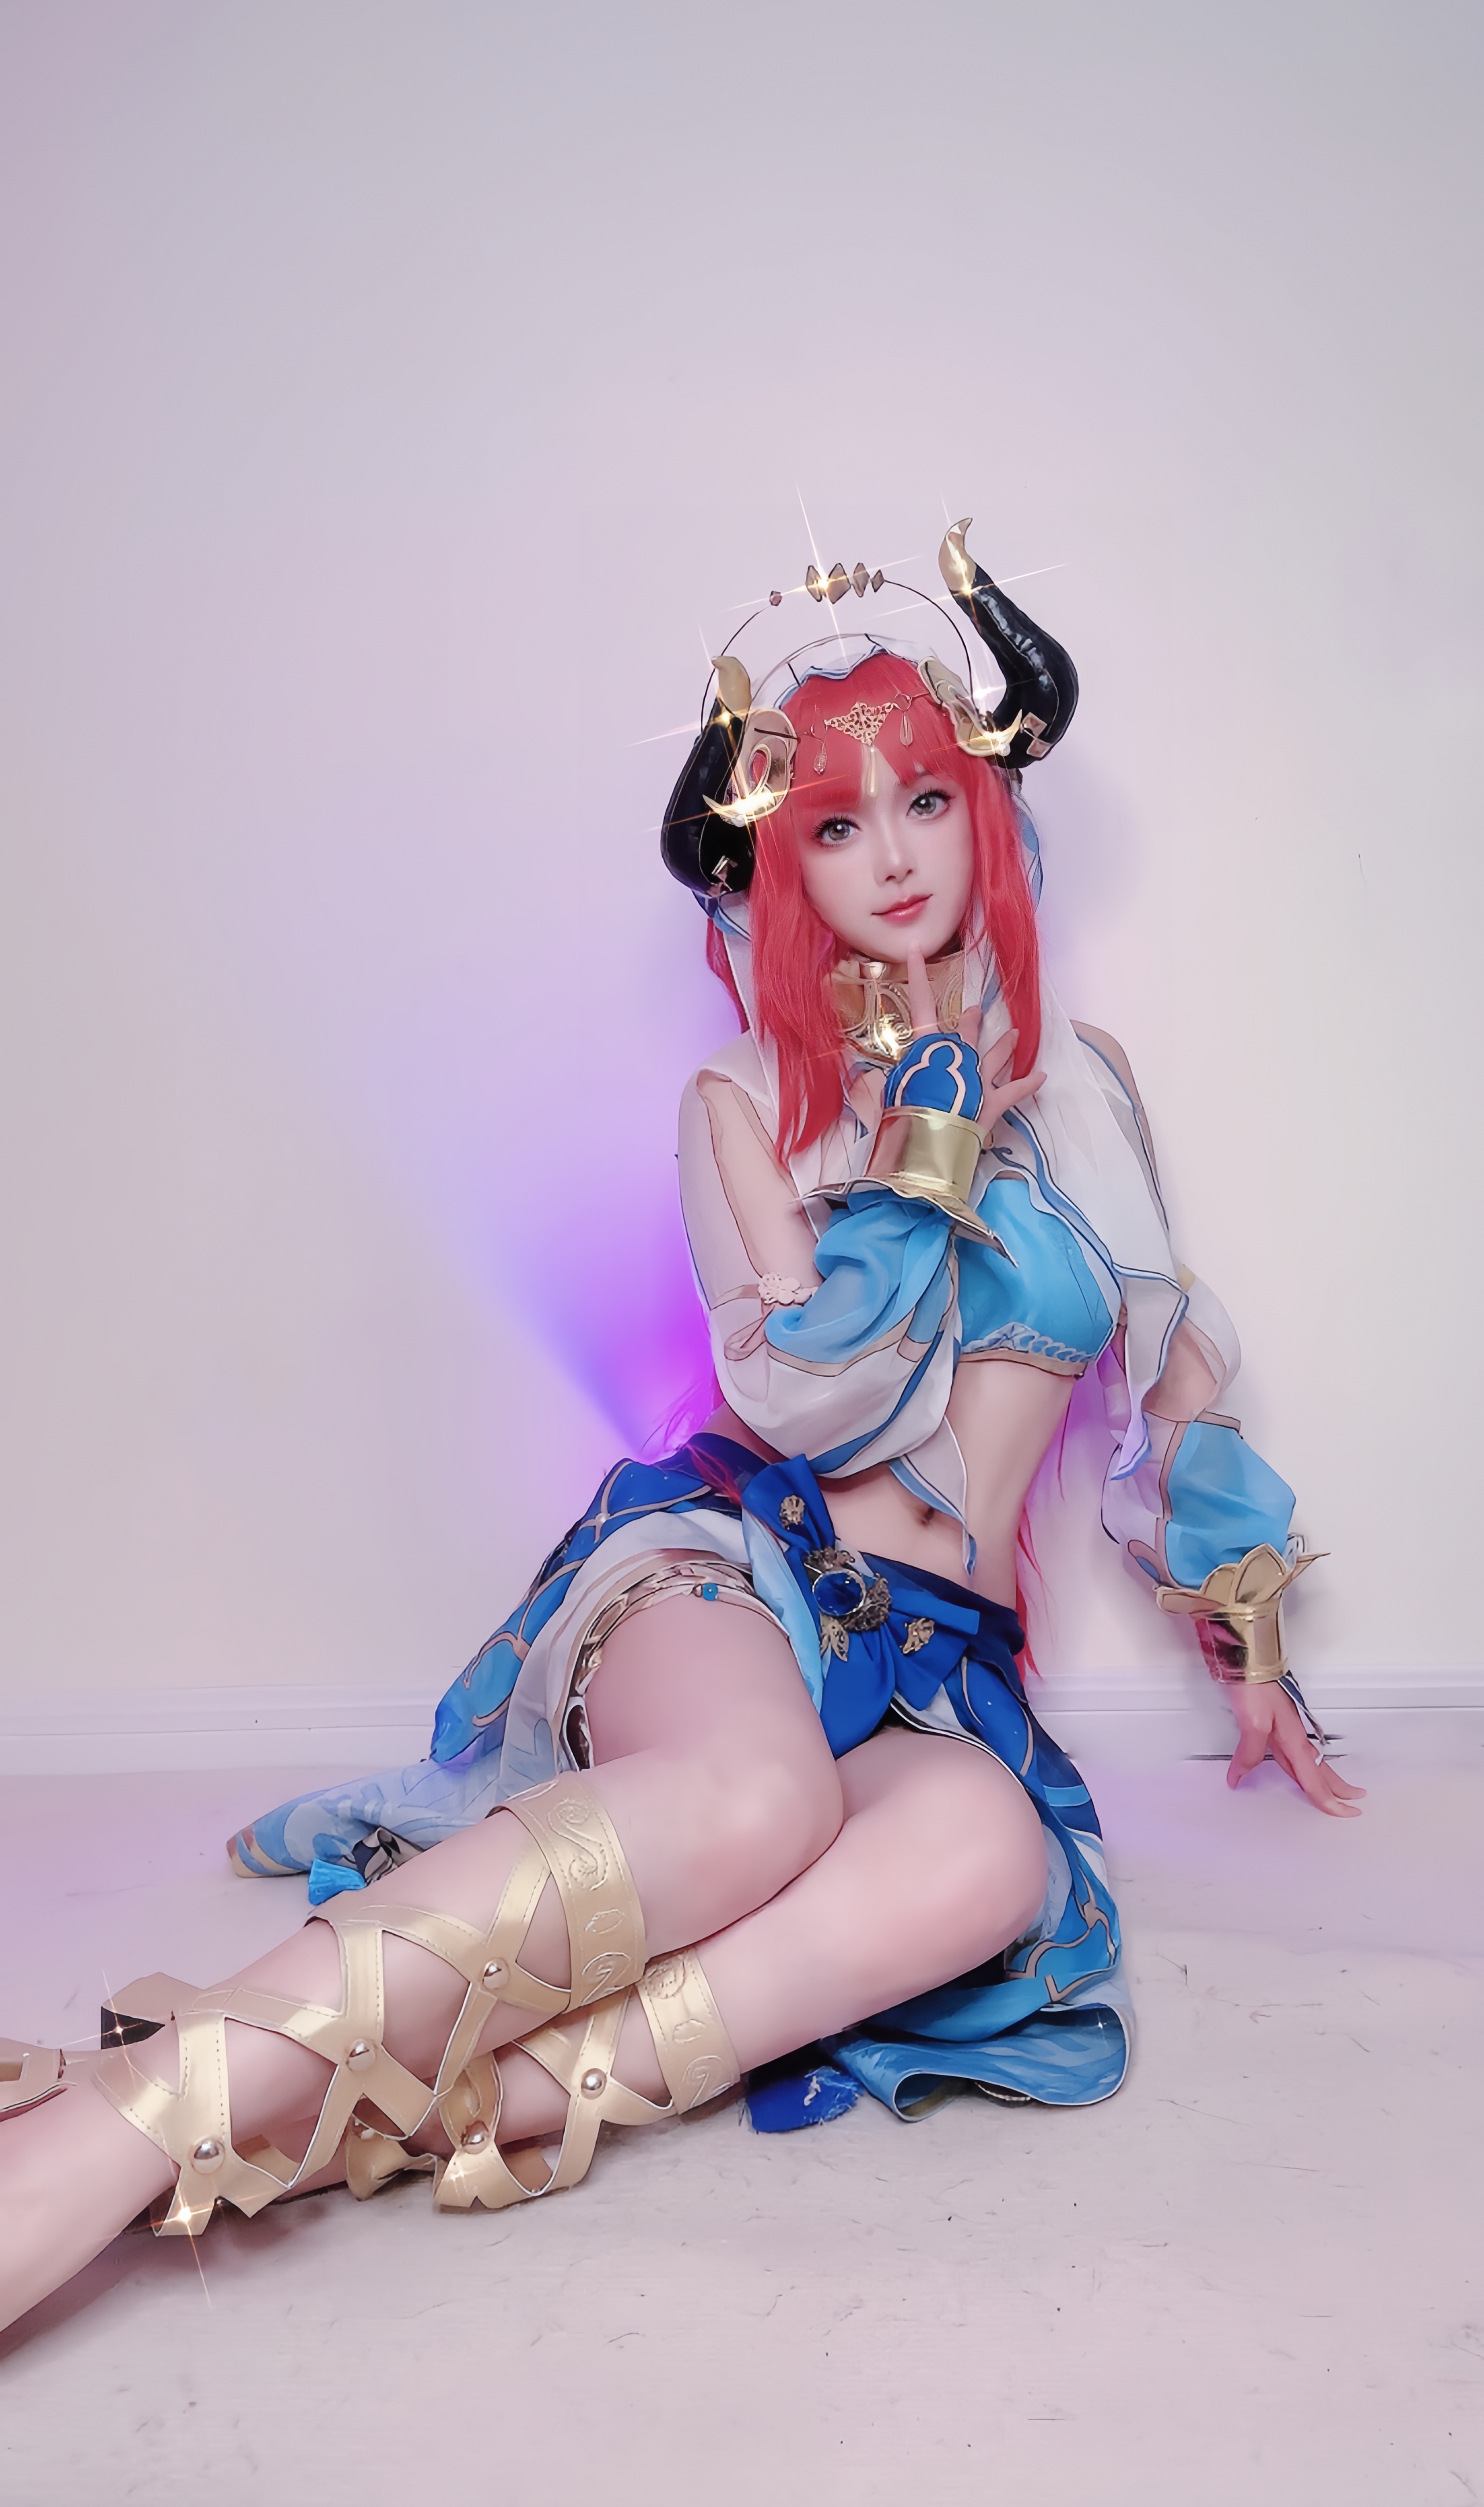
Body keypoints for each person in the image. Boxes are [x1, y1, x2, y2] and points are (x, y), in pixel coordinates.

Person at [0, 521, 1360, 2333]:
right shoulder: (743, 1097)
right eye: (838, 824)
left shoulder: (1094, 1091)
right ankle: (107, 2140)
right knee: (758, 1793)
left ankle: (386, 2126)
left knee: (996, 1859)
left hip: (935, 1663)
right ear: (781, 865)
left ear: (987, 815)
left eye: (926, 802)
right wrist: (922, 1153)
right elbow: (803, 1390)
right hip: (736, 1572)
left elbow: (1172, 1370)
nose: (895, 856)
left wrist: (1248, 1634)